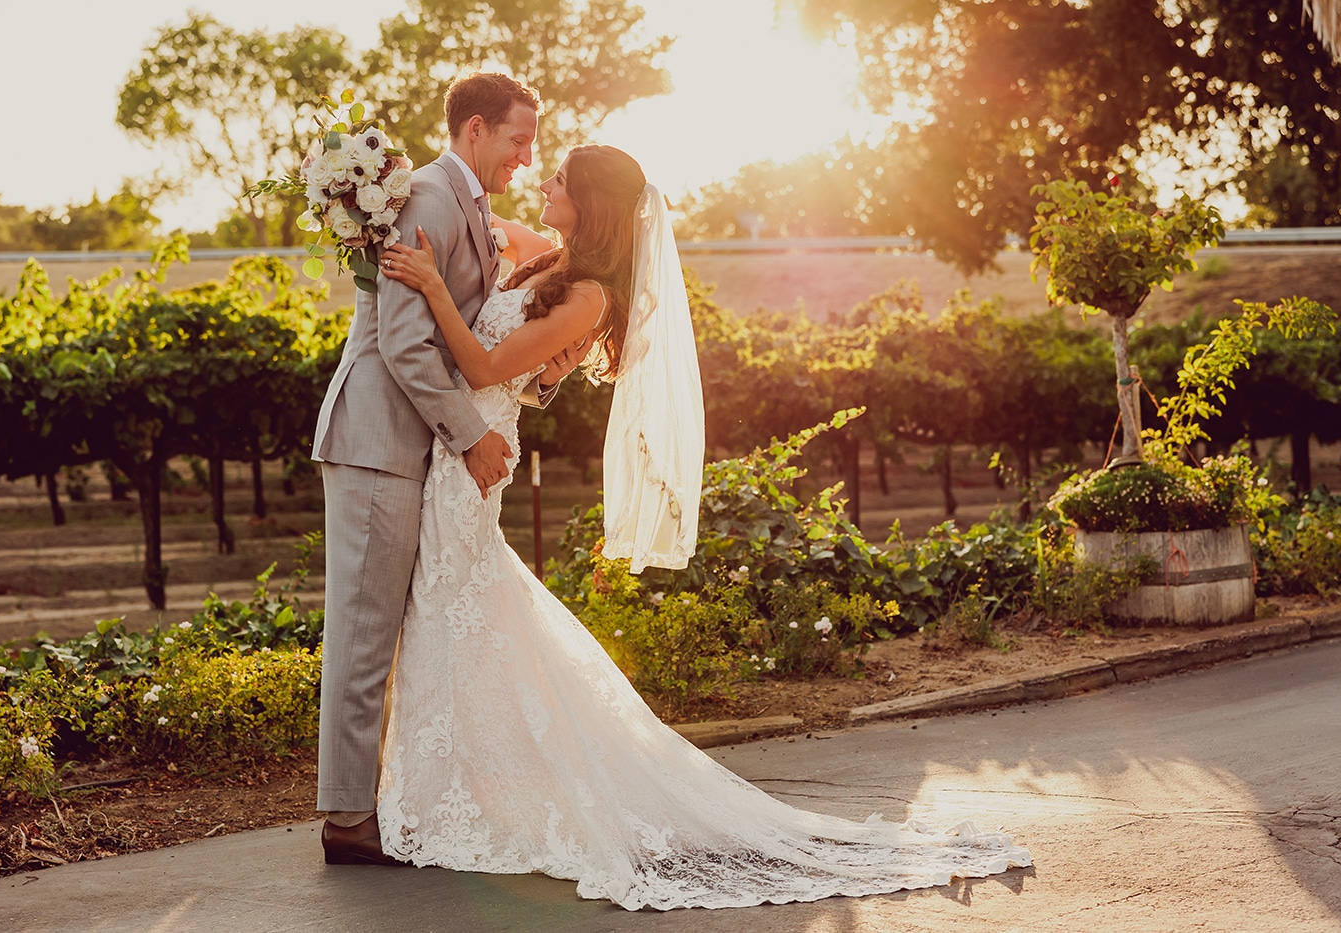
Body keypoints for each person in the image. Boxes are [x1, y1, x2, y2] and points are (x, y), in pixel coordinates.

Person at [371, 143, 1032, 909]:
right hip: (454, 450)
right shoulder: (549, 259)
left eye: (561, 179)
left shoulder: (589, 296)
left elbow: (487, 370)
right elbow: (485, 220)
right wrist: (382, 199)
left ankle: (461, 797)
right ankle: (449, 788)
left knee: (464, 611)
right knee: (462, 615)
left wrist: (429, 288)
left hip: (476, 452)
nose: (545, 180)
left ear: (591, 201)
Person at [310, 73, 587, 866]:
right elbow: (402, 343)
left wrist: (539, 370)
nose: (527, 157)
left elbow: (472, 337)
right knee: (364, 635)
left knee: (389, 630)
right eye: (518, 139)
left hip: (410, 446)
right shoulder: (431, 198)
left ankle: (367, 805)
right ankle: (347, 821)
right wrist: (469, 436)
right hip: (377, 440)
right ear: (474, 130)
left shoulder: (463, 204)